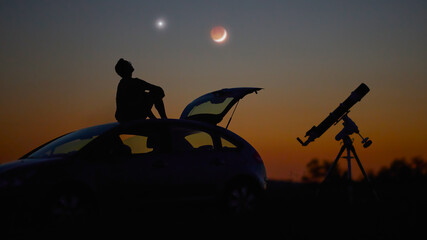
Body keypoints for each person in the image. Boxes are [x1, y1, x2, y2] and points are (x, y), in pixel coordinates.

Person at [114, 58, 167, 122]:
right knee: (154, 93)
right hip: (132, 116)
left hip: (124, 118)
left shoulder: (122, 84)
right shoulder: (135, 82)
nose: (130, 64)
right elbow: (159, 90)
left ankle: (162, 120)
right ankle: (164, 119)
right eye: (128, 64)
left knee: (146, 95)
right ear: (126, 69)